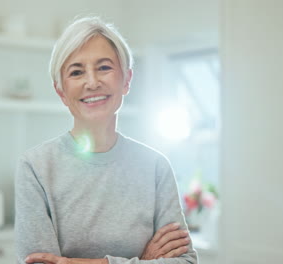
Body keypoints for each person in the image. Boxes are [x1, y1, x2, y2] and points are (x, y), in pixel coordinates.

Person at [14, 16, 198, 264]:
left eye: (104, 67)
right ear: (61, 92)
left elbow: (185, 262)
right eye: (77, 72)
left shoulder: (156, 167)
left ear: (127, 80)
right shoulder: (35, 167)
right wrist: (143, 261)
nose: (92, 82)